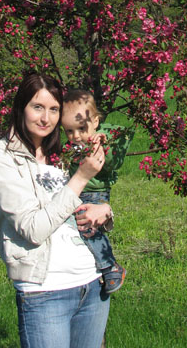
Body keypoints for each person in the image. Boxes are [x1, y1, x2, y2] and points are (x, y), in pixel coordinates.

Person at [0, 71, 112, 348]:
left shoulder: (63, 153)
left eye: (53, 109)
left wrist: (106, 210)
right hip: (45, 292)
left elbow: (85, 199)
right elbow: (33, 229)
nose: (46, 118)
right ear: (21, 107)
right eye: (37, 107)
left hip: (91, 284)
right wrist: (81, 177)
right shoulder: (3, 156)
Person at [61, 89, 133, 295]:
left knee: (87, 228)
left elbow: (112, 159)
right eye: (69, 131)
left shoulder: (99, 142)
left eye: (81, 128)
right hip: (79, 191)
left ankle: (110, 267)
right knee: (82, 229)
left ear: (95, 122)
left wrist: (104, 142)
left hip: (95, 193)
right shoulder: (72, 145)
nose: (76, 136)